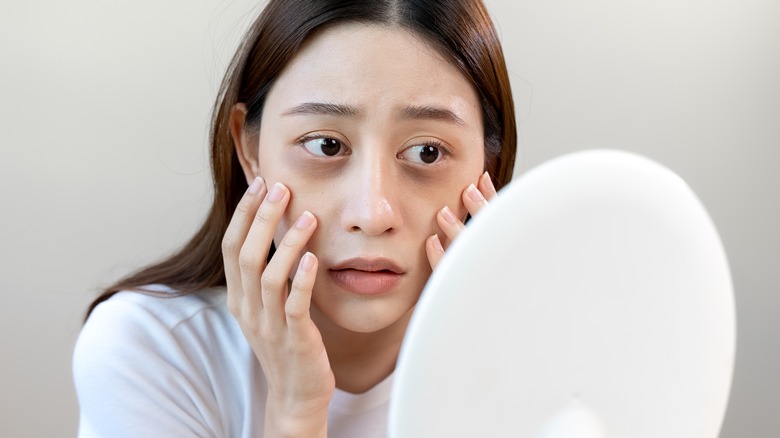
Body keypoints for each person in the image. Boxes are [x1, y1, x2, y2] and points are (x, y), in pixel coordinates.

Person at [73, 0, 517, 436]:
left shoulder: (547, 355)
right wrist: (295, 411)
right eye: (325, 145)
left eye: (427, 152)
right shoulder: (156, 350)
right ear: (250, 151)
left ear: (488, 168)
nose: (372, 214)